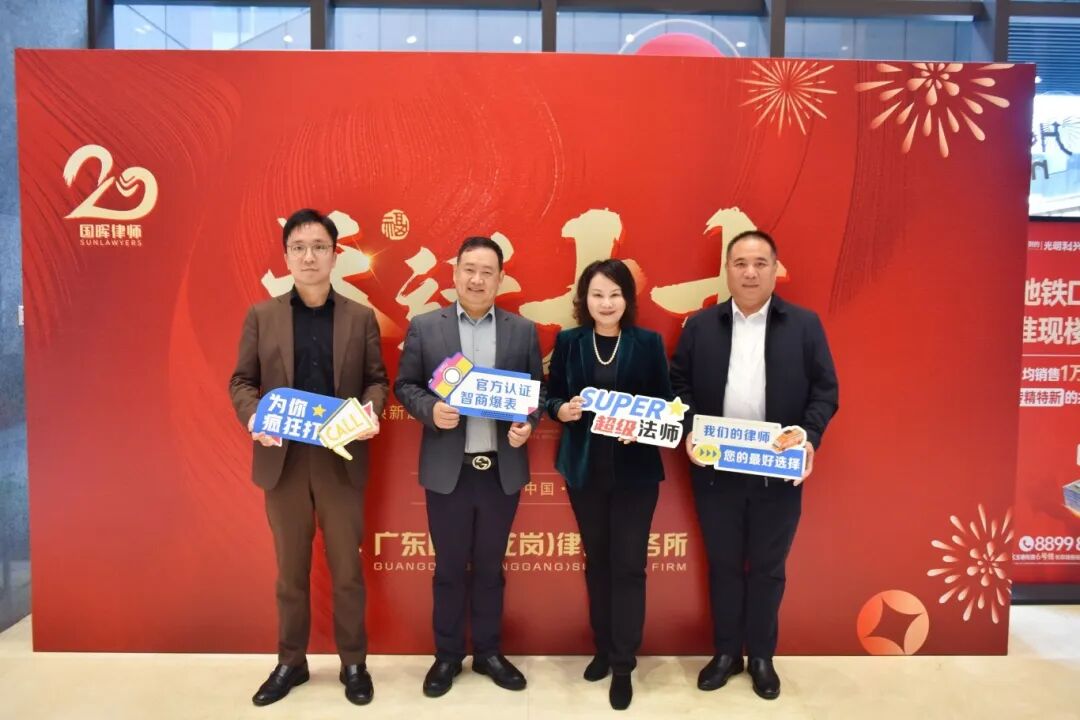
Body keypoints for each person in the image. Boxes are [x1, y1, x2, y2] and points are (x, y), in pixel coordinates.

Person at [229, 208, 388, 707]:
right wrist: (255, 418)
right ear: (286, 256)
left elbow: (377, 381)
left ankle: (354, 662)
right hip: (285, 461)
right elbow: (242, 381)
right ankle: (290, 662)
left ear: (335, 255)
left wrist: (371, 411)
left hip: (341, 457)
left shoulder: (359, 317)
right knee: (290, 572)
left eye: (319, 247)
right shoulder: (262, 315)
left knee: (347, 571)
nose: (309, 256)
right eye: (298, 247)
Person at [670, 230, 838, 701]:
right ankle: (726, 653)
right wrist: (692, 429)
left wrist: (808, 436)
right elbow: (677, 384)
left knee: (768, 567)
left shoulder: (803, 325)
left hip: (776, 469)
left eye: (760, 263)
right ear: (726, 269)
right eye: (740, 263)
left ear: (775, 269)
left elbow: (825, 391)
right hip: (716, 470)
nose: (749, 273)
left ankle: (762, 656)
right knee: (723, 565)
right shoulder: (701, 326)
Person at [394, 236, 544, 698]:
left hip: (500, 470)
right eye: (469, 270)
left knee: (491, 568)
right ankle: (446, 655)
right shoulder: (426, 327)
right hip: (449, 470)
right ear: (455, 273)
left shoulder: (522, 331)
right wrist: (430, 410)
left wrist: (526, 424)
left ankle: (489, 653)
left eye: (487, 272)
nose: (477, 280)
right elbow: (405, 385)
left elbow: (535, 393)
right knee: (449, 567)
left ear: (501, 278)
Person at [545, 259, 672, 711]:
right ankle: (603, 647)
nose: (606, 303)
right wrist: (561, 410)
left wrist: (643, 425)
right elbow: (551, 394)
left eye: (615, 294)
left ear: (627, 299)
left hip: (635, 474)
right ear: (585, 300)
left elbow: (667, 404)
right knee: (598, 564)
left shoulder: (648, 343)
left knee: (629, 567)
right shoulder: (569, 341)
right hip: (585, 471)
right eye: (597, 294)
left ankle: (623, 663)